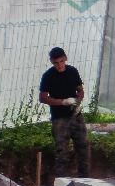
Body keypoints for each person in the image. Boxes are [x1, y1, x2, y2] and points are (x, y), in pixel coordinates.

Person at [38, 46, 89, 178]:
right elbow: (43, 98)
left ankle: (85, 180)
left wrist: (77, 102)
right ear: (51, 62)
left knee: (83, 147)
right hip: (59, 118)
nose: (59, 65)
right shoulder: (48, 76)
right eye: (56, 63)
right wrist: (62, 102)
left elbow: (80, 90)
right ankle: (62, 183)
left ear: (65, 59)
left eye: (61, 61)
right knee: (62, 153)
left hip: (76, 116)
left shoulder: (72, 71)